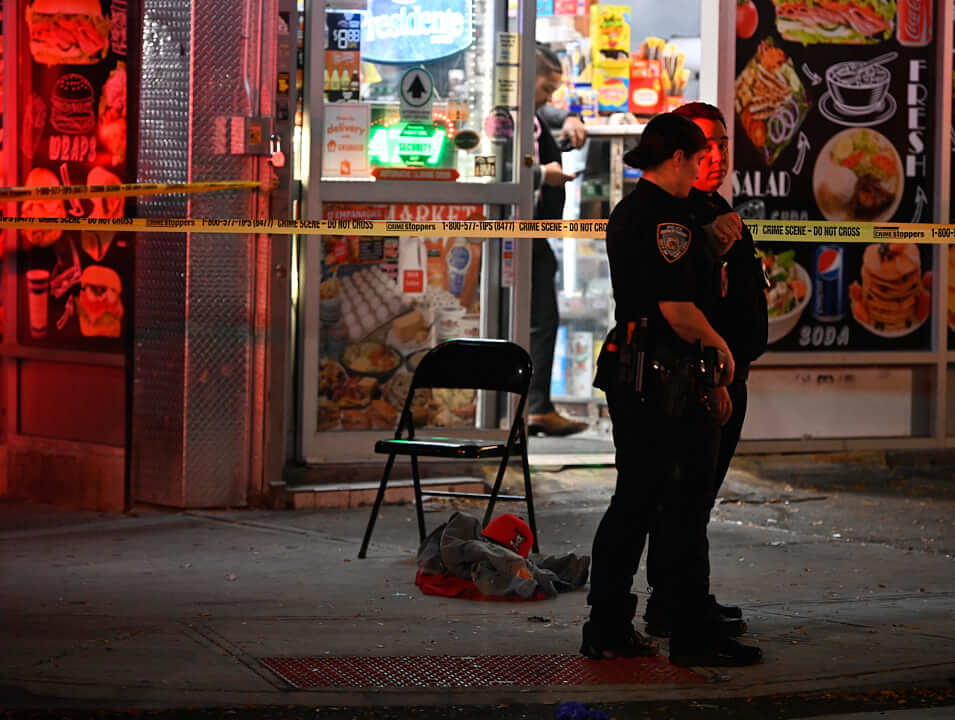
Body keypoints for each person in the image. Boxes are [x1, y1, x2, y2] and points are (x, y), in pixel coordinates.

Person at [580, 112, 761, 666]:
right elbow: (678, 311)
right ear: (677, 158)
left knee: (635, 501)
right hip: (665, 377)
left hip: (640, 371)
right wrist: (721, 352)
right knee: (679, 505)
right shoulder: (664, 218)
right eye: (699, 157)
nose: (704, 168)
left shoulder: (636, 210)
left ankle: (609, 623)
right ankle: (690, 632)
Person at [642, 102, 769, 639]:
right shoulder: (676, 213)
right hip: (696, 375)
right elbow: (678, 302)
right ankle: (675, 606)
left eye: (720, 143)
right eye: (701, 146)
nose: (712, 156)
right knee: (681, 497)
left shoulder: (711, 204)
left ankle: (688, 598)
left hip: (728, 371)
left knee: (700, 497)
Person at [528, 43, 589, 437]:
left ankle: (534, 405)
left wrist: (571, 115)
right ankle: (533, 407)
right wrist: (541, 176)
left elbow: (547, 112)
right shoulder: (504, 116)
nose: (550, 97)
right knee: (538, 321)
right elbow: (498, 165)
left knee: (540, 320)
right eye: (546, 88)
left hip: (529, 234)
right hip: (514, 235)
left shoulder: (527, 111)